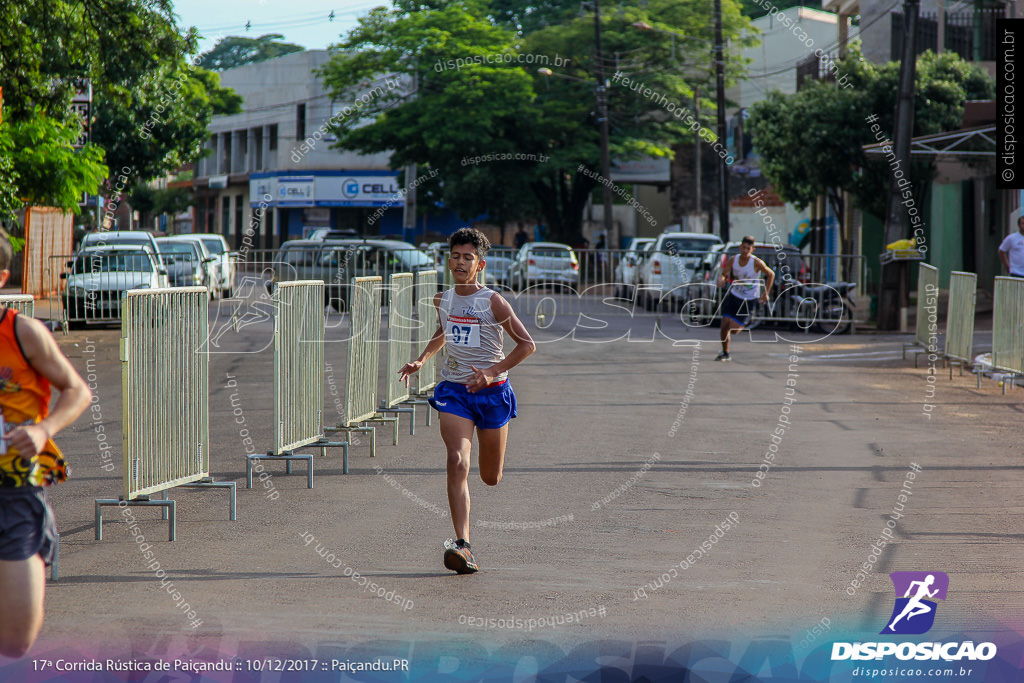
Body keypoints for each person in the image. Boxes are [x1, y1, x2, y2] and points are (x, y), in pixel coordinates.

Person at [399, 227, 535, 574]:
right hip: (455, 391)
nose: (461, 262)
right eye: (456, 256)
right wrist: (422, 360)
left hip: (492, 394)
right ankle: (463, 545)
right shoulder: (442, 299)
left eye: (468, 257)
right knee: (457, 461)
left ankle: (467, 534)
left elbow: (526, 345)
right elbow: (444, 331)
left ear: (480, 264)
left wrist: (493, 371)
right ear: (448, 260)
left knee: (491, 477)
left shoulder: (493, 301)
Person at [0, 232, 91, 658]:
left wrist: (42, 430)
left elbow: (77, 390)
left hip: (12, 493)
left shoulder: (22, 333)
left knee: (16, 640)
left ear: (2, 277)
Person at [715, 236, 775, 361]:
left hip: (748, 299)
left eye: (748, 248)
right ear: (740, 247)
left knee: (733, 329)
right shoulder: (733, 260)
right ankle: (725, 352)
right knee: (724, 324)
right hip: (734, 295)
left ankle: (746, 321)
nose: (745, 250)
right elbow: (724, 274)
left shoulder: (756, 262)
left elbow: (771, 274)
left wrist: (765, 293)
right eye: (743, 247)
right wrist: (722, 280)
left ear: (752, 249)